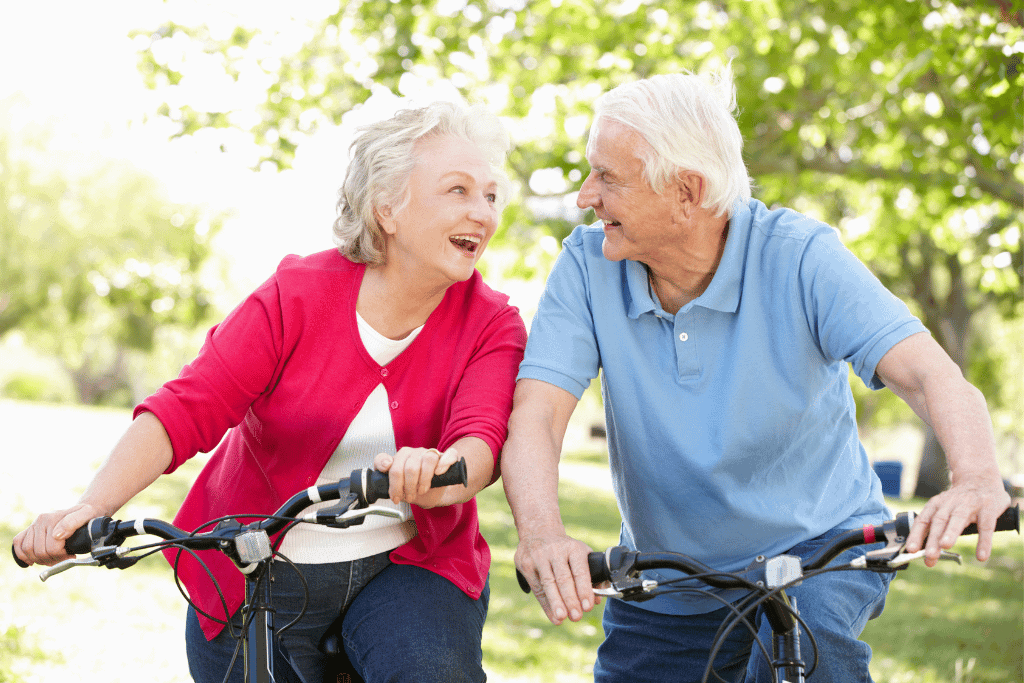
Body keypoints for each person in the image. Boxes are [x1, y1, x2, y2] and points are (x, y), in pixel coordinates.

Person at [501, 67, 1010, 682]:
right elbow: (538, 412)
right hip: (669, 579)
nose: (586, 195)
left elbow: (929, 376)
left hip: (821, 554)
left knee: (804, 648)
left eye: (607, 177)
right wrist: (543, 534)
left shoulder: (799, 256)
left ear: (686, 192)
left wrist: (977, 476)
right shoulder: (586, 266)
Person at [14, 100, 527, 683]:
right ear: (387, 207)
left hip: (408, 568)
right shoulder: (296, 295)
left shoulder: (493, 323)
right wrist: (92, 508)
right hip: (253, 565)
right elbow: (187, 408)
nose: (482, 213)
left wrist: (439, 472)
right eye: (457, 190)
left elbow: (481, 441)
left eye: (490, 195)